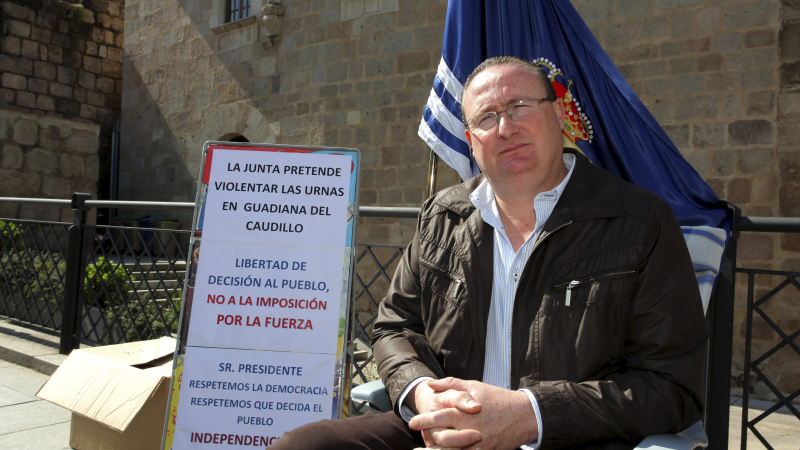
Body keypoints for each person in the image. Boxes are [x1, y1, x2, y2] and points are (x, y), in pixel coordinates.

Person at [271, 56, 707, 450]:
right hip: (444, 431)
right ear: (470, 140)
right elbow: (394, 327)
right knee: (302, 446)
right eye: (486, 117)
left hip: (569, 438)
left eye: (520, 107)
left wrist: (529, 413)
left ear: (557, 113)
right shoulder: (443, 217)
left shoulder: (637, 222)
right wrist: (421, 389)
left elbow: (673, 388)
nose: (505, 128)